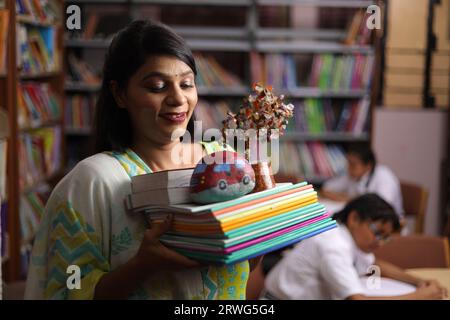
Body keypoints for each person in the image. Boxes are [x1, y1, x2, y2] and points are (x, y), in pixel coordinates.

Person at [24, 20, 260, 300]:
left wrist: (263, 225)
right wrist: (143, 266)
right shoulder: (93, 181)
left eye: (186, 83)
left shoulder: (223, 161)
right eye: (158, 87)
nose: (178, 98)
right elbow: (67, 290)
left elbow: (245, 269)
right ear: (120, 94)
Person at [262, 194, 447, 300]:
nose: (380, 242)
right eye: (378, 232)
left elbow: (375, 264)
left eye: (386, 238)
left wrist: (418, 281)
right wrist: (420, 296)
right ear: (354, 219)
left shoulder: (350, 236)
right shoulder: (333, 246)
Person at [321, 144, 404, 218]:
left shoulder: (384, 176)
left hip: (385, 223)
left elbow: (382, 208)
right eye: (348, 163)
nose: (348, 167)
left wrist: (350, 200)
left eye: (353, 164)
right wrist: (350, 200)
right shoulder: (352, 175)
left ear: (368, 165)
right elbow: (326, 189)